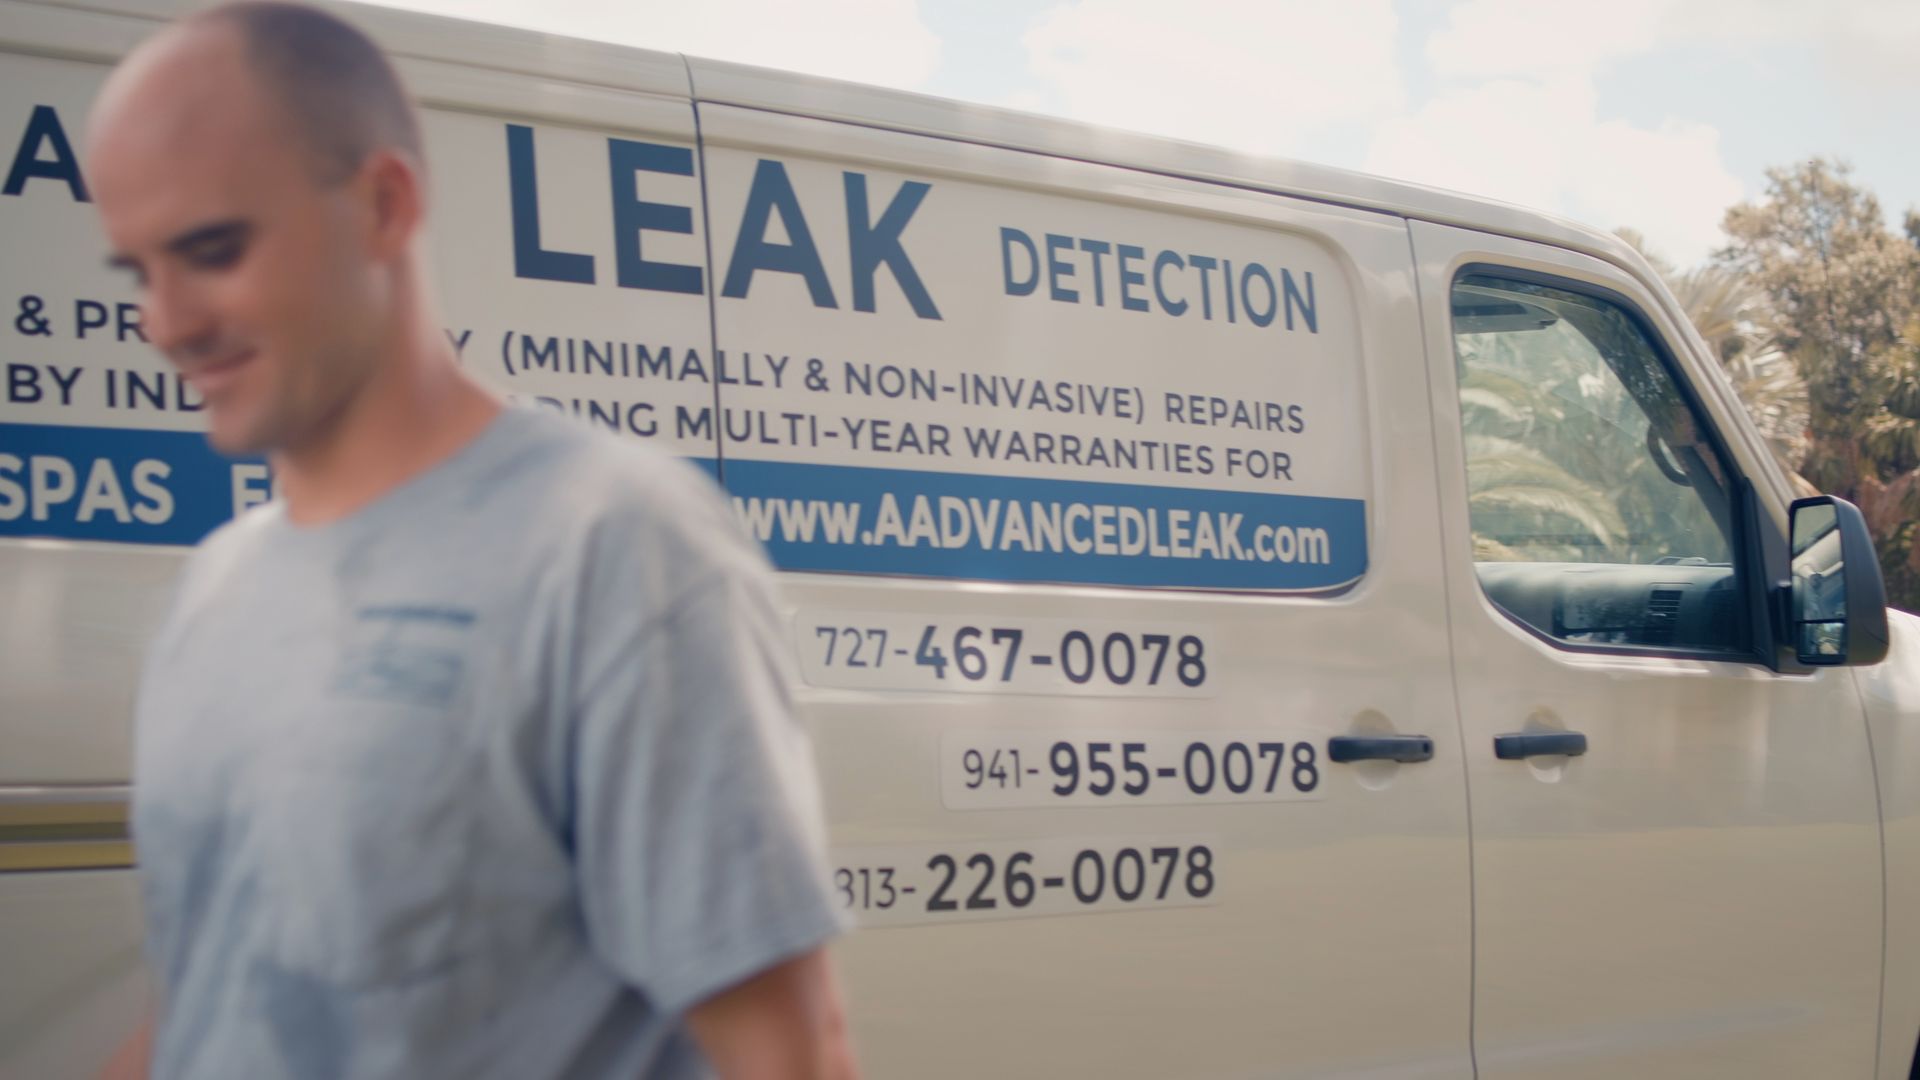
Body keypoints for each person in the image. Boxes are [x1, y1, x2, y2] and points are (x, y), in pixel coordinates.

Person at [84, 3, 856, 1077]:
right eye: (135, 272)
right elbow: (209, 1004)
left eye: (212, 251)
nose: (166, 322)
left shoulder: (612, 545)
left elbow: (786, 1054)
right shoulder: (216, 588)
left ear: (386, 206)